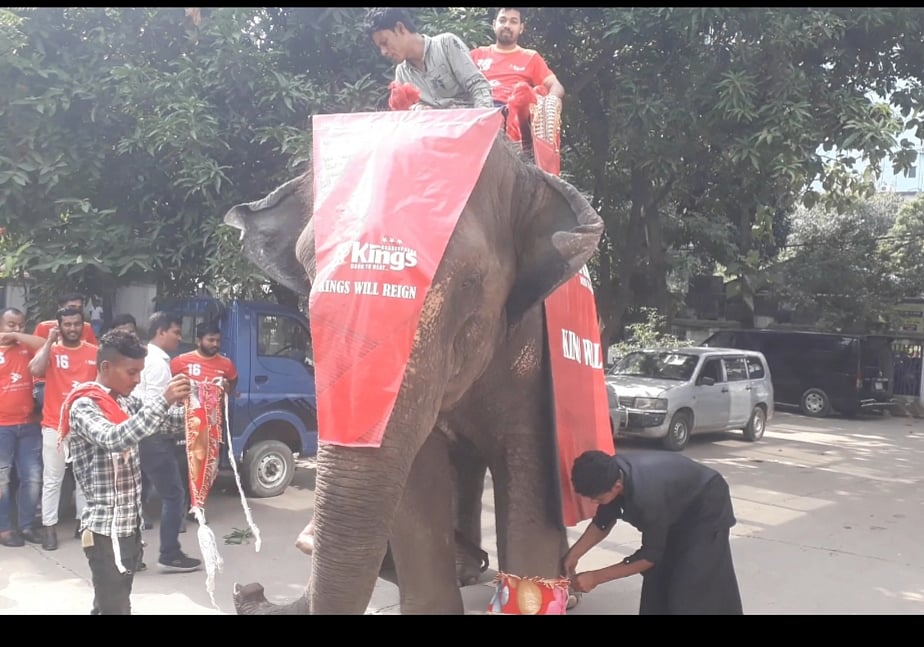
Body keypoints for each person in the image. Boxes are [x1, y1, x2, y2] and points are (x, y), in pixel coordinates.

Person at [64, 329, 191, 614]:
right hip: (105, 531)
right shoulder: (84, 406)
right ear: (106, 367)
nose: (137, 380)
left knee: (114, 604)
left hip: (128, 528)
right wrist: (163, 400)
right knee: (114, 607)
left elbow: (162, 424)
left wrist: (195, 407)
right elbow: (115, 437)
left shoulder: (126, 401)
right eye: (132, 372)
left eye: (140, 373)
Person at [564, 449, 743, 615]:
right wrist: (573, 556)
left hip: (705, 507)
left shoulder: (648, 496)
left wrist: (596, 577)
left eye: (599, 498)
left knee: (690, 583)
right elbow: (602, 522)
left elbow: (649, 557)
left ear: (617, 486)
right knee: (657, 582)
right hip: (674, 507)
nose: (596, 502)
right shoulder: (611, 473)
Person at [134, 312, 201, 572]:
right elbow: (155, 407)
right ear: (160, 332)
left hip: (142, 436)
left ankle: (132, 555)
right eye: (175, 331)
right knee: (174, 495)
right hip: (154, 439)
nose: (179, 337)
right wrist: (188, 411)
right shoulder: (158, 363)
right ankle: (170, 552)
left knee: (136, 497)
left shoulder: (148, 358)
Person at [29, 307, 98, 551]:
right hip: (54, 426)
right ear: (60, 326)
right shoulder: (52, 351)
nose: (72, 328)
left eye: (76, 324)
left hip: (84, 426)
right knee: (52, 480)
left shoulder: (94, 352)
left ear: (83, 326)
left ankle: (83, 524)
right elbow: (35, 370)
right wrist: (49, 340)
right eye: (67, 324)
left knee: (84, 479)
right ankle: (49, 528)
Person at [169, 320, 238, 518]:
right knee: (184, 466)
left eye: (218, 340)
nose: (215, 344)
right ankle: (180, 509)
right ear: (199, 340)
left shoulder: (226, 364)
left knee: (206, 466)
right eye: (211, 340)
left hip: (211, 425)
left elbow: (233, 382)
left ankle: (197, 506)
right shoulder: (180, 361)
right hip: (185, 424)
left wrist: (226, 387)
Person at [365, 7, 494, 110]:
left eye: (385, 42)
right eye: (380, 47)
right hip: (431, 137)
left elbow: (478, 86)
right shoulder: (402, 73)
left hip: (467, 127)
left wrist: (481, 122)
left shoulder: (446, 44)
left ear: (400, 28)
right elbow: (404, 114)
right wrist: (416, 109)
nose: (383, 52)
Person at [470, 7, 565, 145]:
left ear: (521, 28)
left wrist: (550, 101)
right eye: (502, 20)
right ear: (494, 24)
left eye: (513, 21)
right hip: (479, 108)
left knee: (523, 93)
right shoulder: (477, 54)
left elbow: (556, 85)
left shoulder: (531, 57)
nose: (507, 25)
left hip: (512, 111)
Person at [0, 309, 46, 547]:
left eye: (20, 325)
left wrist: (17, 336)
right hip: (2, 427)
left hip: (28, 424)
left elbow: (44, 344)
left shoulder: (26, 348)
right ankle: (4, 528)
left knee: (32, 477)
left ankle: (27, 526)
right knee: (2, 480)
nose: (16, 329)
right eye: (10, 325)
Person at [32, 293, 98, 345]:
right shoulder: (44, 327)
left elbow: (94, 351)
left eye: (80, 308)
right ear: (60, 307)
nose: (76, 310)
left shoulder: (86, 327)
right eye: (72, 307)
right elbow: (34, 349)